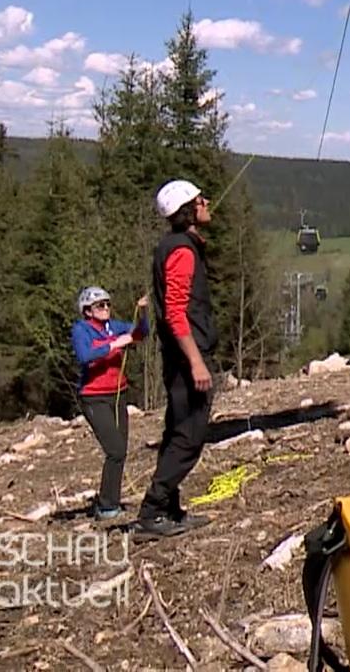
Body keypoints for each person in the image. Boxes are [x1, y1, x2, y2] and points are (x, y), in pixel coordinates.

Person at [135, 179, 217, 540]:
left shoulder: (179, 246)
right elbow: (175, 311)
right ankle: (151, 512)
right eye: (201, 199)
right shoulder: (182, 251)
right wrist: (196, 362)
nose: (207, 202)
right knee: (190, 435)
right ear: (189, 209)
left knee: (176, 431)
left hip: (180, 355)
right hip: (186, 358)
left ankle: (169, 509)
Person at [69, 286, 149, 521]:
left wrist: (143, 314)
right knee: (114, 449)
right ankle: (105, 506)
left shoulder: (113, 326)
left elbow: (140, 333)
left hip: (117, 394)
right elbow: (84, 356)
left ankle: (110, 501)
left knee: (120, 450)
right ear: (87, 311)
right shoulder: (81, 330)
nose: (105, 309)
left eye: (107, 304)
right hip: (93, 396)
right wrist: (115, 344)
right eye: (99, 306)